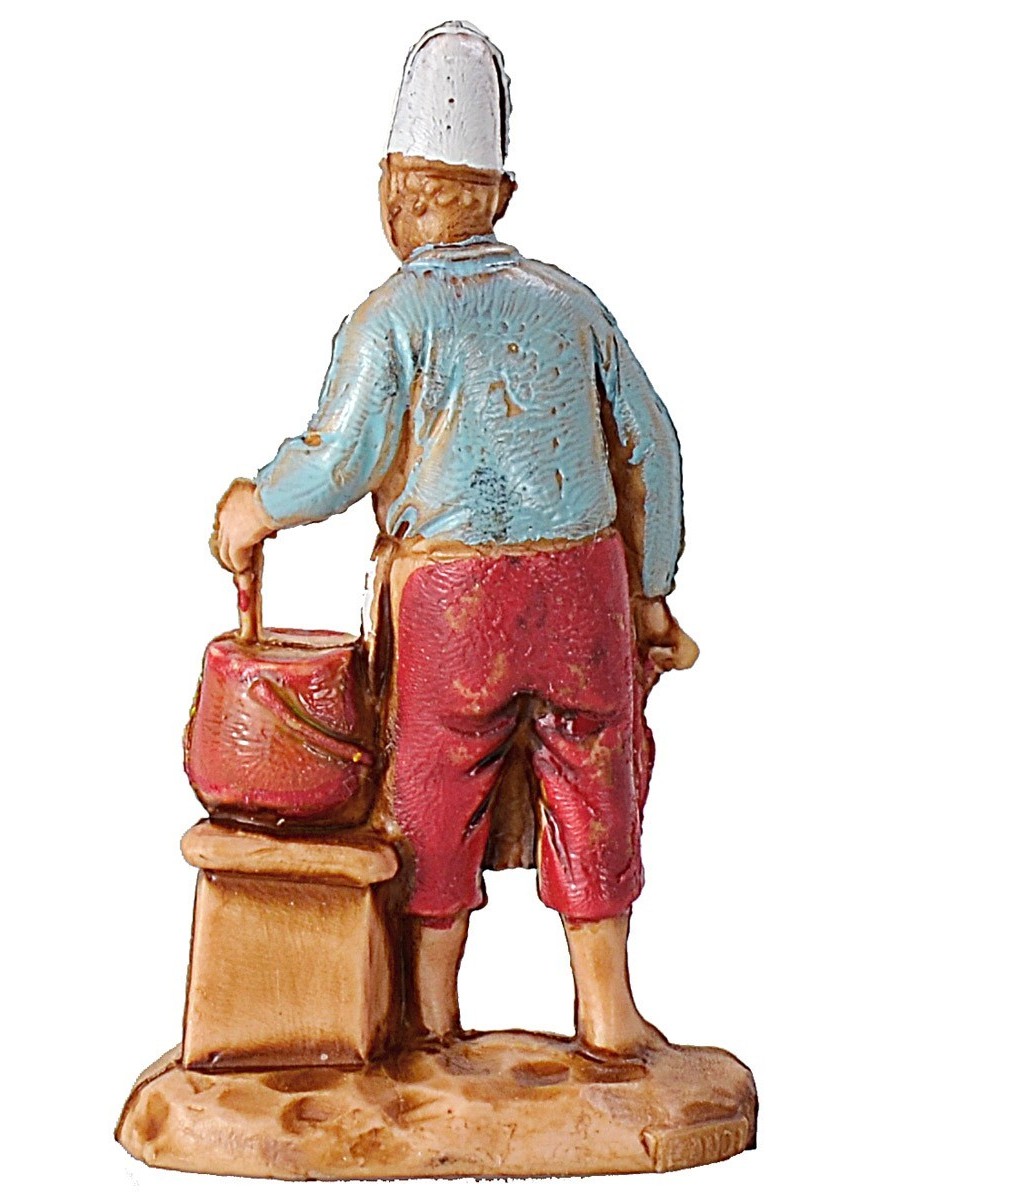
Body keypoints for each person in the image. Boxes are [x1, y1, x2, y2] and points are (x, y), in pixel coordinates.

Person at [211, 21, 697, 1056]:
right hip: (581, 585)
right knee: (596, 776)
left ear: (392, 193)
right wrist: (651, 590)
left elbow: (337, 461)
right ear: (501, 196)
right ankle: (607, 1012)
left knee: (435, 786)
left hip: (453, 601)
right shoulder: (571, 306)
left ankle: (429, 1017)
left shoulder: (390, 318)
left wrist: (255, 505)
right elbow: (651, 445)